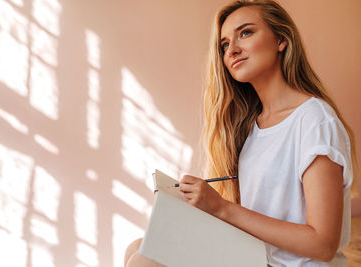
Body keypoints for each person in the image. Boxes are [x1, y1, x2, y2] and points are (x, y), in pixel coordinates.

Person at [124, 0, 358, 266]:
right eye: (224, 45)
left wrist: (222, 208)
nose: (232, 50)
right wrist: (202, 206)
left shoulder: (315, 120)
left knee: (144, 259)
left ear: (281, 39)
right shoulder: (252, 128)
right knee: (139, 247)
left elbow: (323, 244)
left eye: (245, 33)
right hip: (257, 257)